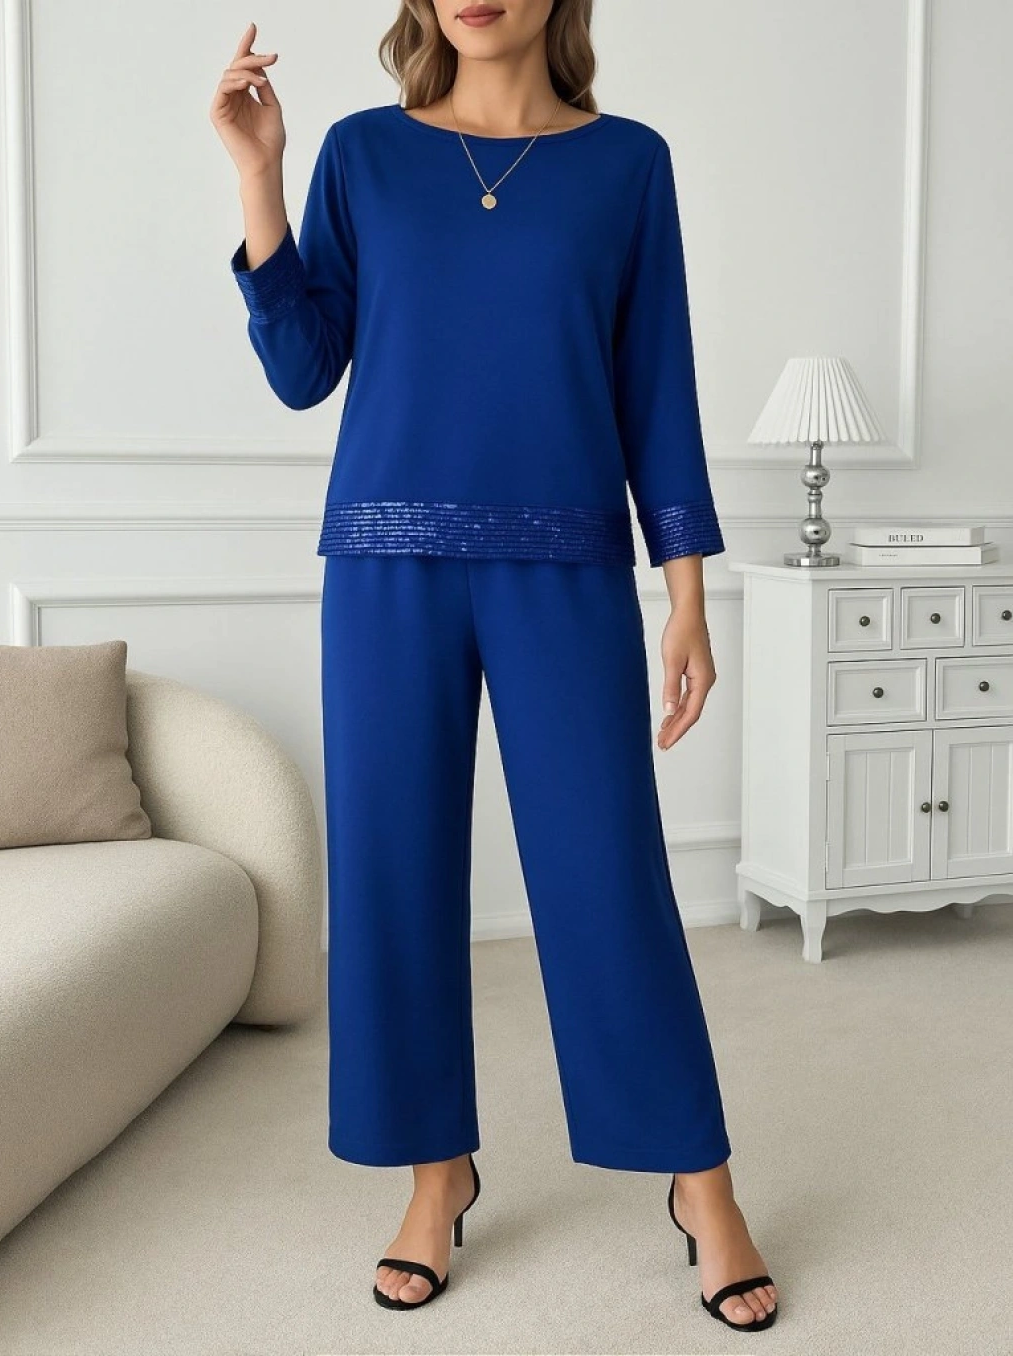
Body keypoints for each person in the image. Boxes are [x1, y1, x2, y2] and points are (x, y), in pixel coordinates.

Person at [211, 0, 778, 1333]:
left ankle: (701, 1183)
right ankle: (435, 1176)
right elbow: (302, 369)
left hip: (564, 565)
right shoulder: (363, 152)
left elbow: (658, 384)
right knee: (394, 878)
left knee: (607, 875)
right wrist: (259, 174)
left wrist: (687, 597)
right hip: (383, 564)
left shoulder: (627, 164)